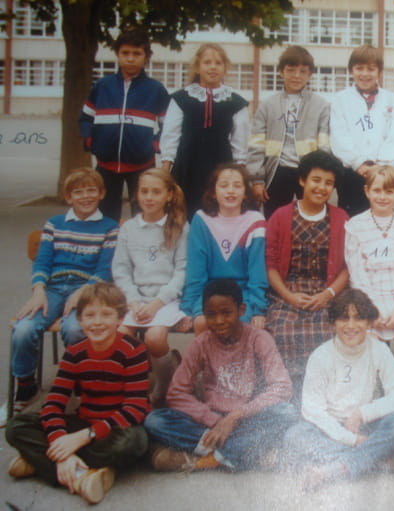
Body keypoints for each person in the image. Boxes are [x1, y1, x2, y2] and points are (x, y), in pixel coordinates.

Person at [5, 283, 149, 505]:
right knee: (16, 427)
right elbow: (53, 404)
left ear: (120, 319)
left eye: (106, 314)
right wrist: (63, 447)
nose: (97, 322)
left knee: (135, 442)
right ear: (80, 320)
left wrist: (81, 438)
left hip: (115, 429)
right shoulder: (74, 353)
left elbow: (135, 409)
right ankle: (80, 473)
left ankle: (42, 461)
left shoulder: (133, 350)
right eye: (89, 315)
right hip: (84, 422)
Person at [2, 168, 119, 426]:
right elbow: (42, 262)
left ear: (101, 193)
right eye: (78, 192)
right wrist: (38, 291)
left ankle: (77, 386)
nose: (85, 196)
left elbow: (104, 269)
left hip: (87, 290)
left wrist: (83, 292)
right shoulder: (54, 224)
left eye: (91, 190)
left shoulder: (109, 227)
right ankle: (26, 386)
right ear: (68, 197)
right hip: (52, 288)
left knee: (75, 329)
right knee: (23, 329)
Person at [144, 279, 296, 472]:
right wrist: (215, 421)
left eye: (226, 313)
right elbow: (176, 393)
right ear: (204, 314)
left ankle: (204, 461)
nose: (219, 321)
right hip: (211, 420)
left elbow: (282, 387)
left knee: (286, 412)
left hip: (247, 418)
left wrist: (235, 416)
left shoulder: (259, 338)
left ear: (241, 310)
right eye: (211, 314)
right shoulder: (201, 344)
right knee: (155, 420)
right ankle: (242, 453)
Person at [283, 289, 394, 490]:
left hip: (364, 425)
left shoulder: (379, 350)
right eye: (344, 318)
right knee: (295, 436)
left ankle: (334, 469)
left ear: (369, 323)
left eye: (358, 318)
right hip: (331, 429)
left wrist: (362, 413)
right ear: (333, 323)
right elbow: (312, 410)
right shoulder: (320, 356)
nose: (351, 325)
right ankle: (377, 461)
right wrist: (351, 440)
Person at [265, 150, 349, 395]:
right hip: (287, 293)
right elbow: (271, 266)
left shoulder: (341, 218)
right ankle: (290, 395)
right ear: (302, 180)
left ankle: (325, 395)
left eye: (328, 183)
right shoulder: (280, 216)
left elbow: (348, 267)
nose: (322, 187)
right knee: (282, 330)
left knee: (330, 331)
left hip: (326, 293)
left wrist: (328, 294)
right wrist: (288, 296)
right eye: (316, 180)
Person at [112, 168, 189, 406]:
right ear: (136, 194)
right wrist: (133, 301)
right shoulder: (128, 228)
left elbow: (182, 271)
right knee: (120, 335)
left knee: (154, 338)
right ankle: (134, 389)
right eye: (144, 191)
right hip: (136, 299)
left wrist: (157, 304)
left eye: (156, 192)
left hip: (167, 299)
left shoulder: (180, 227)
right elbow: (121, 270)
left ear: (169, 195)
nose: (149, 197)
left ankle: (163, 388)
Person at [79, 28, 170, 222]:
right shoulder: (102, 86)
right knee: (104, 218)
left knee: (144, 215)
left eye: (136, 54)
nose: (130, 59)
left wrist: (154, 145)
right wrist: (90, 141)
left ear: (146, 57)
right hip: (106, 165)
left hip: (142, 166)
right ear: (117, 54)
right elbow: (86, 118)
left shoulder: (155, 89)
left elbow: (168, 126)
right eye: (125, 53)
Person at [160, 43, 250, 218]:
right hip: (187, 165)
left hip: (221, 165)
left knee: (217, 211)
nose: (213, 67)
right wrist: (165, 170)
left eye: (218, 63)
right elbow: (171, 135)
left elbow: (240, 141)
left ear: (225, 68)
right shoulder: (181, 99)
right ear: (197, 67)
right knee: (184, 211)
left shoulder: (236, 102)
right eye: (207, 62)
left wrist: (239, 173)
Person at [344, 166, 394, 364]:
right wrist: (372, 308)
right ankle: (381, 380)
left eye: (389, 191)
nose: (382, 196)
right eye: (377, 190)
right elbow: (356, 272)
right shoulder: (355, 226)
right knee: (371, 347)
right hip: (368, 298)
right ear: (367, 191)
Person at [181, 164, 268, 334]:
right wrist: (187, 309)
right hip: (209, 292)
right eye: (224, 185)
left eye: (237, 185)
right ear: (213, 192)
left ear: (245, 193)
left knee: (237, 323)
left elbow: (257, 272)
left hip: (242, 293)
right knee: (202, 322)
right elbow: (195, 272)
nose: (230, 191)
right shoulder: (201, 219)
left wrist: (258, 309)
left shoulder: (255, 221)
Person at [247, 45, 331, 220]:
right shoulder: (267, 105)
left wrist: (321, 175)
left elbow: (324, 145)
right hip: (277, 170)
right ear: (281, 72)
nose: (296, 76)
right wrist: (257, 180)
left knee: (310, 218)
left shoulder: (321, 105)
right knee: (275, 218)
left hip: (308, 171)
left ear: (310, 74)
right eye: (291, 70)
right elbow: (256, 145)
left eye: (302, 71)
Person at [330, 44, 394, 216]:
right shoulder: (340, 100)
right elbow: (339, 136)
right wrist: (358, 163)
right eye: (359, 68)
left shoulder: (393, 100)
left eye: (371, 69)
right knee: (351, 219)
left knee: (381, 216)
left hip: (384, 173)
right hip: (352, 173)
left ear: (380, 71)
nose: (365, 74)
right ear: (351, 70)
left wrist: (381, 166)